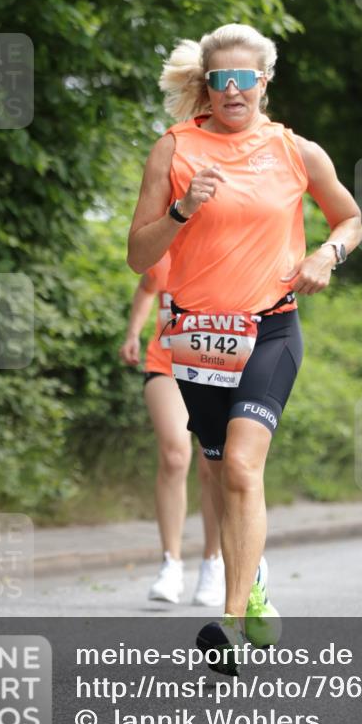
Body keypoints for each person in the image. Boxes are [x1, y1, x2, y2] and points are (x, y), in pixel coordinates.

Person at [127, 23, 362, 671]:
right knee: (213, 470)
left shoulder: (295, 151)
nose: (232, 90)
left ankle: (230, 626)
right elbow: (135, 255)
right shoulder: (172, 150)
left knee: (239, 465)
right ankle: (251, 580)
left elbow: (349, 216)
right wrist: (180, 210)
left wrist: (326, 252)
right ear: (206, 85)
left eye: (244, 78)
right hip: (196, 337)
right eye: (220, 80)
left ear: (264, 81)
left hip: (269, 328)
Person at [119, 250, 225, 606]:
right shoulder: (165, 251)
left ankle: (213, 563)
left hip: (218, 364)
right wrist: (133, 332)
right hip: (166, 362)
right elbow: (148, 287)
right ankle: (171, 564)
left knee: (213, 464)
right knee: (176, 455)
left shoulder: (228, 251)